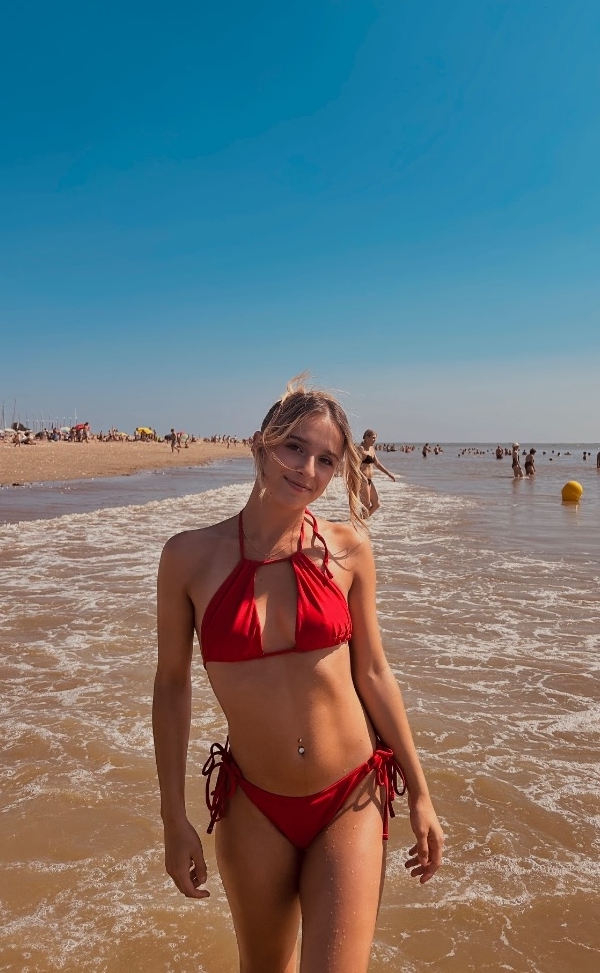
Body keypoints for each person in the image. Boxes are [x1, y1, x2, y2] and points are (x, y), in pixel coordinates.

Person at [153, 377, 443, 973]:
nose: (308, 469)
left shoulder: (348, 550)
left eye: (326, 459)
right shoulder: (188, 557)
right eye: (294, 447)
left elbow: (374, 672)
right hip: (253, 805)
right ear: (260, 444)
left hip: (350, 796)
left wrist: (420, 792)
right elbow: (172, 687)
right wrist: (172, 817)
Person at [357, 428, 396, 517]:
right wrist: (363, 478)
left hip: (369, 480)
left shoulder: (371, 449)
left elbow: (377, 464)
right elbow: (355, 466)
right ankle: (359, 522)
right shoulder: (360, 449)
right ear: (366, 437)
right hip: (362, 480)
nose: (374, 440)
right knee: (366, 505)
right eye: (373, 438)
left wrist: (389, 474)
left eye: (375, 438)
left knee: (376, 504)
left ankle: (361, 520)